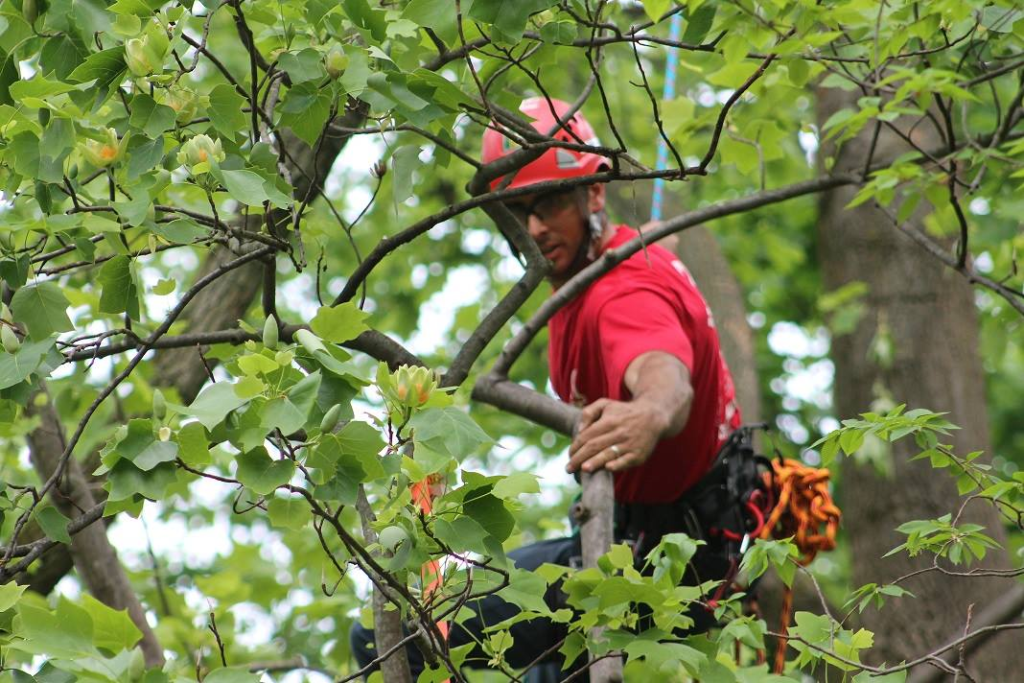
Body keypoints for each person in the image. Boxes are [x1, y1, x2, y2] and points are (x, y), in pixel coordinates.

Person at [350, 97, 746, 679]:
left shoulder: (622, 294)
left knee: (393, 636)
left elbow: (663, 373)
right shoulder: (618, 260)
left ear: (594, 194)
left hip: (659, 565)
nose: (535, 227)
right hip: (667, 544)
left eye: (552, 203)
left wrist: (651, 413)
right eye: (518, 210)